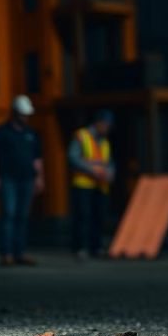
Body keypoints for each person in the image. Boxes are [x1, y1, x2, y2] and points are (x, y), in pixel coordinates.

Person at [0, 95, 43, 266]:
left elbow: (37, 158)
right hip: (8, 179)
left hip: (27, 179)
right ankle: (7, 253)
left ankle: (20, 252)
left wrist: (39, 177)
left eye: (27, 114)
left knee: (22, 216)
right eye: (22, 114)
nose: (25, 117)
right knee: (9, 214)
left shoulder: (30, 133)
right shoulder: (1, 132)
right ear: (15, 112)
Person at [68, 109, 115, 261]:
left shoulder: (104, 141)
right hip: (83, 184)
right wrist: (92, 171)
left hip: (100, 185)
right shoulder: (82, 136)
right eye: (106, 125)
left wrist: (110, 173)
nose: (107, 129)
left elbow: (109, 162)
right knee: (83, 216)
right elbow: (73, 157)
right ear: (98, 123)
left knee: (98, 217)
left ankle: (96, 247)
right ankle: (80, 247)